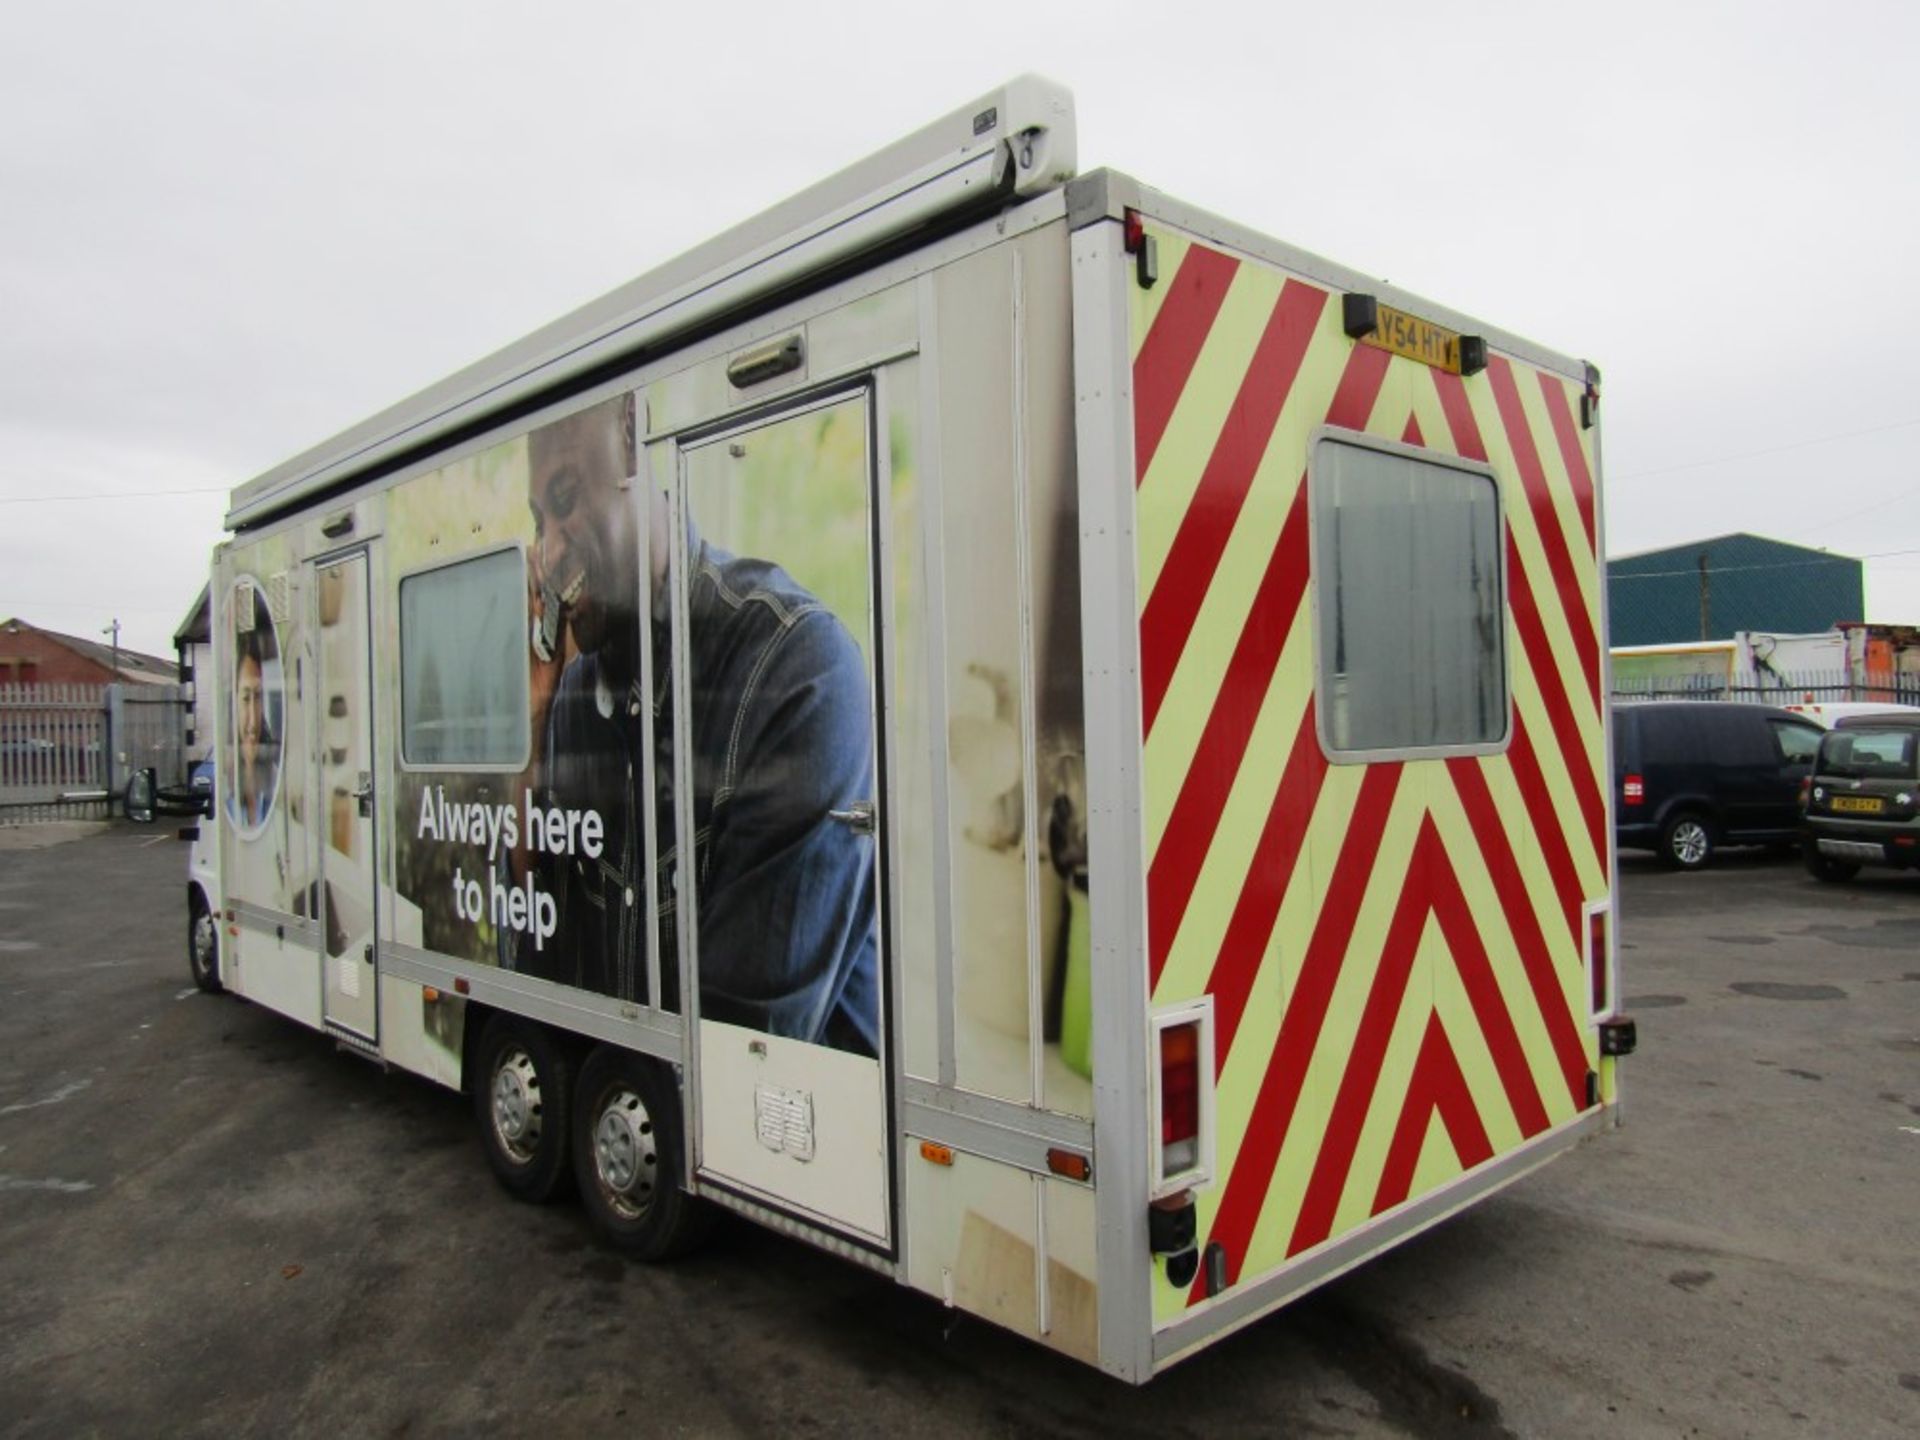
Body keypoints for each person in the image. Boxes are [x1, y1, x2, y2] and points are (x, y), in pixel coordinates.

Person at [511, 395, 879, 1057]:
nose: (549, 549)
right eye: (538, 522)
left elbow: (744, 1057)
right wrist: (534, 717)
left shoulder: (795, 672)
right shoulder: (571, 699)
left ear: (632, 442)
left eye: (565, 499)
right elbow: (534, 958)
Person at [232, 623, 277, 827]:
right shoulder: (223, 790)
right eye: (245, 697)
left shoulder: (277, 782)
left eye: (258, 696)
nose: (252, 720)